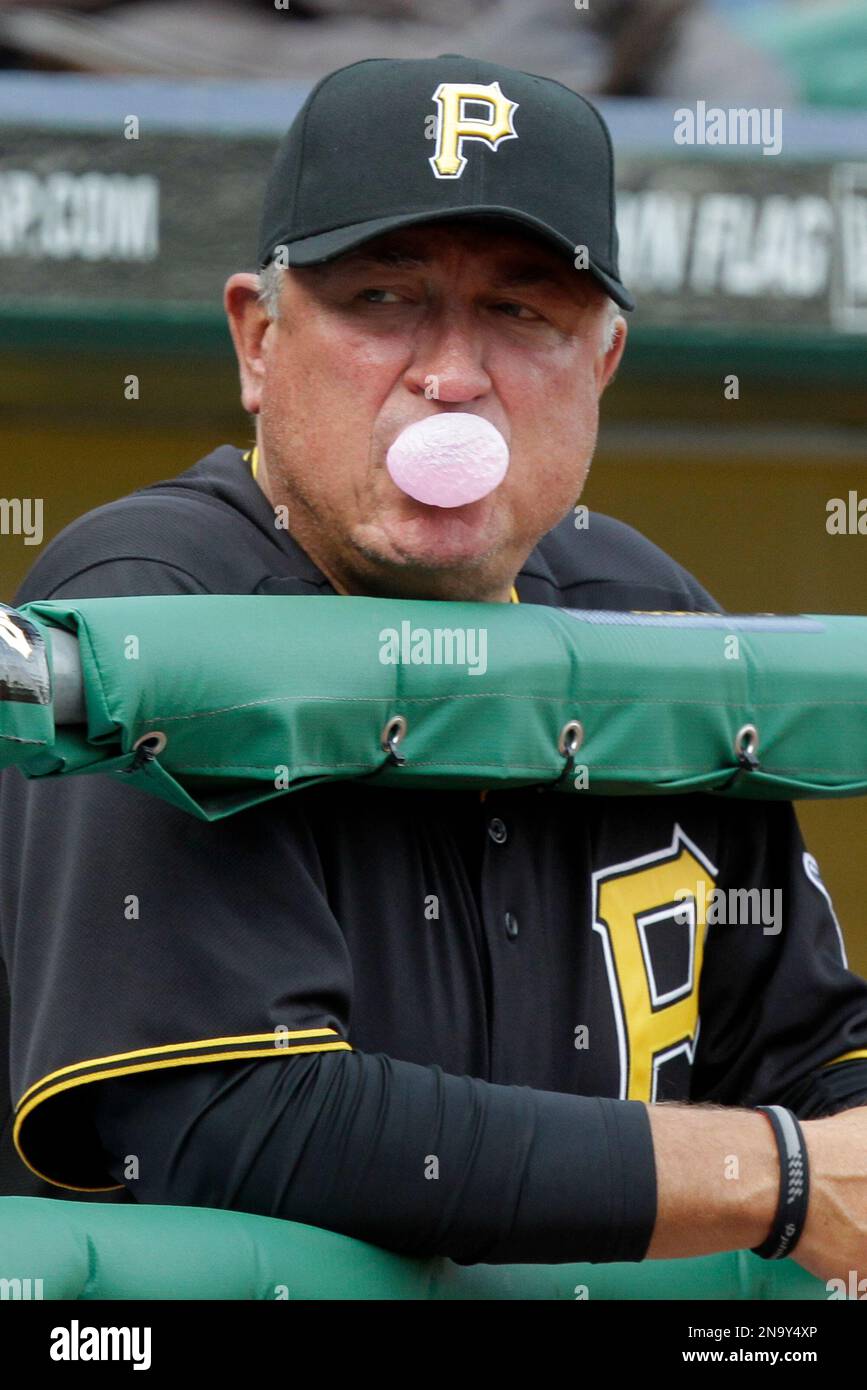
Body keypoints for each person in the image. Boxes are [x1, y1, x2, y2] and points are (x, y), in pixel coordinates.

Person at [2, 54, 866, 1282]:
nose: (451, 375)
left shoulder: (645, 615)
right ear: (259, 337)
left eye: (523, 312)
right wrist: (769, 1180)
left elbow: (813, 1054)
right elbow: (230, 1123)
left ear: (604, 364)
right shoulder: (151, 596)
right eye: (383, 298)